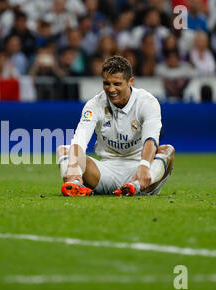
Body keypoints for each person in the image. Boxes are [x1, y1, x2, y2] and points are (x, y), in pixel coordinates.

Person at [58, 55, 175, 197]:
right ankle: (75, 184)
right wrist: (73, 166)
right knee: (65, 151)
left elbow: (151, 139)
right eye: (106, 83)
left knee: (168, 150)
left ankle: (135, 187)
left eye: (117, 84)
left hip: (140, 170)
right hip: (104, 172)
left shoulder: (147, 102)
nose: (111, 89)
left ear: (130, 82)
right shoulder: (95, 104)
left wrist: (144, 165)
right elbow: (80, 138)